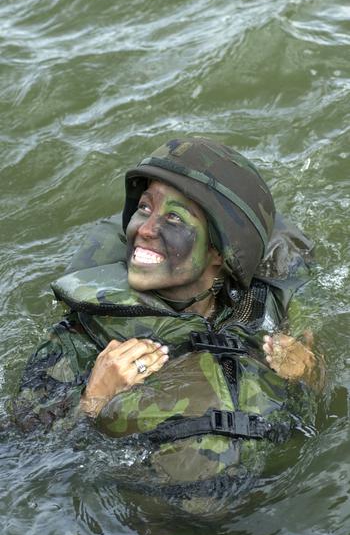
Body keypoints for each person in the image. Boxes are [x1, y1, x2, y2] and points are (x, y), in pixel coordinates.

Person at [11, 137, 319, 495]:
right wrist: (92, 404)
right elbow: (23, 464)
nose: (144, 229)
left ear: (221, 252)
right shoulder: (79, 339)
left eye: (173, 217)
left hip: (271, 508)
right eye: (144, 208)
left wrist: (310, 374)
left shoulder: (263, 317)